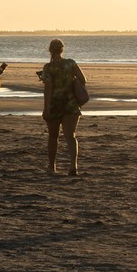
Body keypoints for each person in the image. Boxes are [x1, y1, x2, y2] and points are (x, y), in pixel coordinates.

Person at [42, 38, 86, 175]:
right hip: (71, 104)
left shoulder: (48, 67)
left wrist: (46, 107)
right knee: (70, 136)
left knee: (53, 137)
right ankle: (73, 166)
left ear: (50, 50)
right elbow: (83, 80)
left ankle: (52, 166)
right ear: (62, 49)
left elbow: (48, 88)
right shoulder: (71, 63)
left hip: (55, 105)